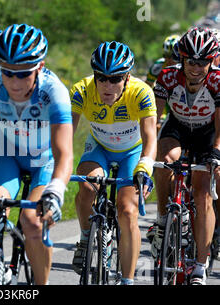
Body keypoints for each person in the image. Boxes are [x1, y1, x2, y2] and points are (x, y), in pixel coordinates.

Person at [0, 24, 74, 285]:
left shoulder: (55, 92)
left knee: (33, 222)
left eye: (23, 74)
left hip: (43, 160)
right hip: (6, 156)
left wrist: (57, 191)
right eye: (7, 72)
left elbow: (64, 153)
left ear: (39, 67)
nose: (14, 82)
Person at [70, 41, 157, 285]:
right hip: (100, 148)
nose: (108, 85)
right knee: (88, 187)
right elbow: (67, 132)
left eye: (115, 79)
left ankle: (127, 280)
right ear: (95, 76)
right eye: (102, 78)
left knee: (127, 210)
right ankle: (87, 237)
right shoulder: (82, 90)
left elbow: (151, 137)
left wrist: (145, 167)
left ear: (127, 78)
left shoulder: (141, 92)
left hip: (133, 151)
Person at [152, 27, 220, 285]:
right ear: (181, 58)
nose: (195, 67)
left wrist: (216, 151)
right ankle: (162, 219)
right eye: (190, 61)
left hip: (207, 133)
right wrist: (146, 148)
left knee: (202, 195)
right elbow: (154, 119)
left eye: (203, 62)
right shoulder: (168, 77)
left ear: (211, 60)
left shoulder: (217, 81)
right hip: (177, 127)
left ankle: (200, 267)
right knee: (165, 158)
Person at [146, 34, 180, 130]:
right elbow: (146, 88)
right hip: (163, 101)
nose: (169, 60)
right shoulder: (158, 66)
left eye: (172, 56)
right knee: (157, 126)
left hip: (178, 100)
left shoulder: (186, 67)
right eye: (166, 56)